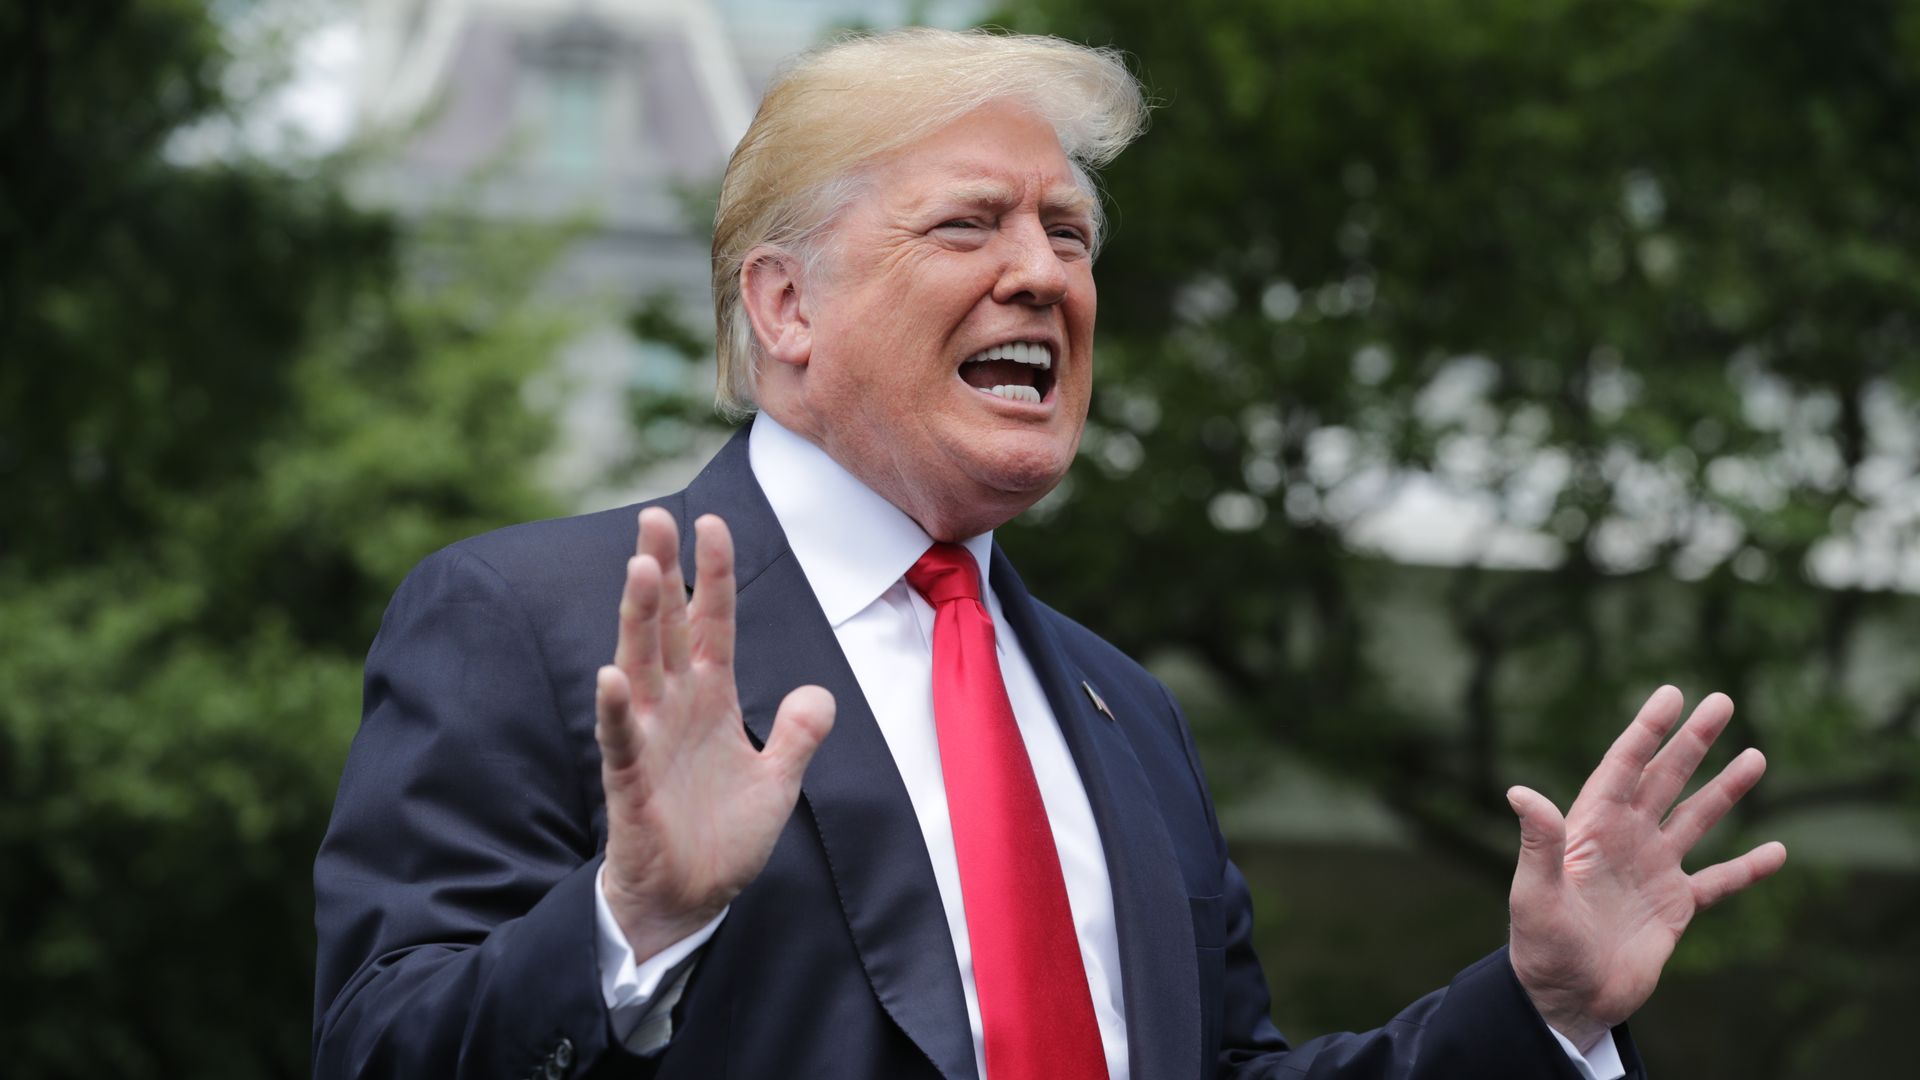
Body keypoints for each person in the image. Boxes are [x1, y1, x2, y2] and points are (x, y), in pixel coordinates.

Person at [312, 28, 1785, 1080]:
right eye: (970, 224)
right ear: (785, 306)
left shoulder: (1120, 711)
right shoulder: (533, 621)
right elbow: (383, 1052)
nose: (1041, 271)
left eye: (1070, 234)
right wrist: (631, 922)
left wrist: (1537, 1013)